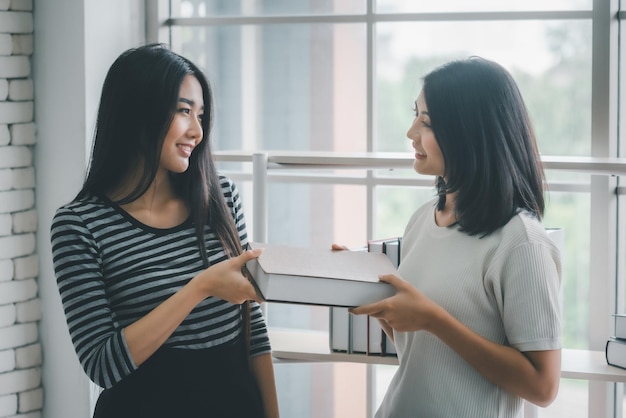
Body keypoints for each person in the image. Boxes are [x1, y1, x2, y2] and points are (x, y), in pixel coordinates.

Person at [50, 43, 280, 418]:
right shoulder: (79, 226)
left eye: (201, 115)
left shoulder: (221, 197)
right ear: (137, 113)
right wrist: (200, 287)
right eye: (184, 111)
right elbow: (102, 364)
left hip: (236, 405)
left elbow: (251, 327)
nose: (197, 131)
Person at [346, 57, 562, 417]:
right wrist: (364, 291)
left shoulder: (521, 242)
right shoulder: (424, 219)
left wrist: (433, 318)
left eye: (426, 122)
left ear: (469, 132)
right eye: (415, 115)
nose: (411, 132)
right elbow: (420, 351)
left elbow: (543, 387)